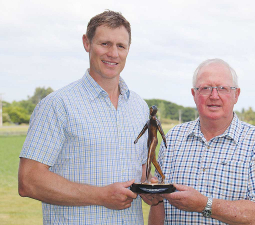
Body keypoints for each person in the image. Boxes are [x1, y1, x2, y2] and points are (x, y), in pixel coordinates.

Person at [18, 10, 159, 224]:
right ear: (87, 43)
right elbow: (28, 181)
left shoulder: (138, 106)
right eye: (105, 44)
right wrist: (100, 196)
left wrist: (148, 187)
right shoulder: (57, 105)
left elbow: (140, 169)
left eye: (121, 46)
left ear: (128, 49)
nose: (113, 53)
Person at [148, 58, 255, 224]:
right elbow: (158, 205)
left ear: (236, 94)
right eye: (205, 88)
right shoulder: (174, 137)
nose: (214, 96)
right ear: (194, 94)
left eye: (223, 88)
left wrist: (204, 205)